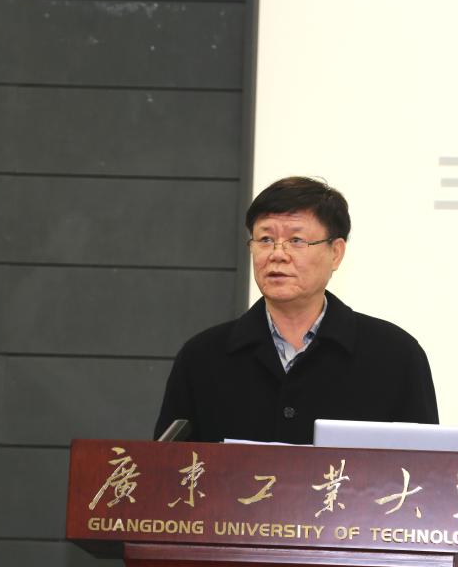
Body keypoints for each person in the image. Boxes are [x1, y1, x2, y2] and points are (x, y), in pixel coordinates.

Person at [153, 176, 438, 443]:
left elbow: (426, 470)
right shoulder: (203, 357)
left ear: (335, 253)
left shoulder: (395, 356)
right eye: (265, 239)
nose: (277, 254)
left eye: (296, 241)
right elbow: (164, 468)